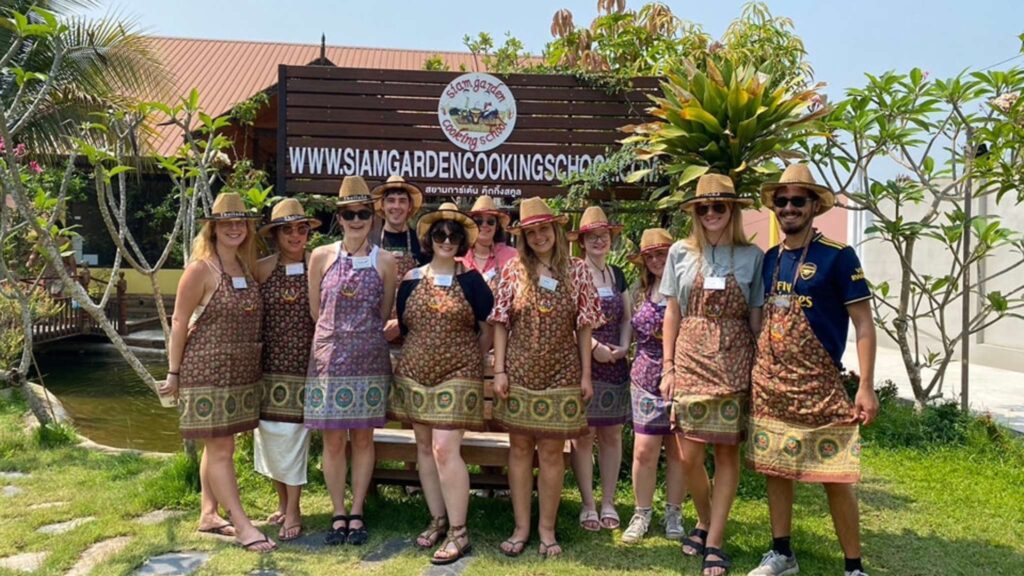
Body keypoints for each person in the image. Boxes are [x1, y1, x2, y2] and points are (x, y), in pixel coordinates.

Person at [746, 164, 878, 576]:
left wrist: (866, 386)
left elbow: (863, 324)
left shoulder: (838, 257)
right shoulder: (769, 259)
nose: (788, 208)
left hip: (821, 383)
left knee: (836, 475)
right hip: (770, 383)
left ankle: (853, 567)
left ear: (814, 206)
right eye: (782, 201)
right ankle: (782, 552)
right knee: (775, 469)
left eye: (797, 201)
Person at [661, 174, 764, 576]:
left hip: (735, 357)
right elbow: (673, 312)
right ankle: (704, 519)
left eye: (718, 207)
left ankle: (715, 539)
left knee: (725, 454)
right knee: (687, 455)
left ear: (732, 210)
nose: (710, 214)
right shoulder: (680, 253)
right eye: (703, 208)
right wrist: (668, 366)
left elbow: (755, 316)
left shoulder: (752, 256)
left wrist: (762, 367)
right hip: (689, 356)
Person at [489, 197, 603, 558]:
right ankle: (521, 527)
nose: (539, 236)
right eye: (531, 231)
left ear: (555, 230)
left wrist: (586, 374)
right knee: (520, 449)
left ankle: (547, 530)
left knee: (553, 452)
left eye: (544, 228)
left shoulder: (578, 270)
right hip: (520, 371)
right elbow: (501, 322)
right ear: (523, 236)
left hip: (562, 372)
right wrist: (500, 370)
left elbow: (585, 327)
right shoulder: (512, 270)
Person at [160, 192, 275, 552]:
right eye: (227, 223)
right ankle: (242, 525)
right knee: (221, 446)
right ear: (213, 228)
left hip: (238, 372)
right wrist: (174, 372)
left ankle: (208, 513)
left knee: (218, 443)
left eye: (240, 222)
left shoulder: (245, 266)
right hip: (205, 371)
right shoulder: (200, 269)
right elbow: (179, 321)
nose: (235, 228)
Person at [388, 202, 494, 565]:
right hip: (415, 373)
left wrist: (473, 360)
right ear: (429, 239)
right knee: (423, 447)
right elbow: (403, 324)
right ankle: (437, 519)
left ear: (462, 241)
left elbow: (487, 326)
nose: (447, 241)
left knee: (444, 449)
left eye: (453, 236)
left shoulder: (471, 280)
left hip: (459, 373)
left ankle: (459, 531)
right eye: (440, 235)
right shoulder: (412, 279)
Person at [306, 176, 398, 546]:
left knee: (362, 439)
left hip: (369, 359)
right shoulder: (320, 256)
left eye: (363, 213)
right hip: (329, 358)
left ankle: (357, 510)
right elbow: (316, 310)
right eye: (349, 214)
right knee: (332, 441)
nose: (357, 220)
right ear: (339, 217)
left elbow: (386, 308)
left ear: (372, 218)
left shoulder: (386, 260)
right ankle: (337, 510)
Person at [253, 198, 321, 542]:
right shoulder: (262, 268)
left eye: (301, 229)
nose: (295, 236)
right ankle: (282, 501)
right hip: (268, 366)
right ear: (276, 235)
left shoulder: (317, 265)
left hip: (304, 365)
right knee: (271, 437)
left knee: (294, 437)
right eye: (288, 230)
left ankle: (294, 509)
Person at [567, 206, 632, 532]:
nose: (598, 241)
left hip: (615, 366)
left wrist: (622, 347)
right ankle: (588, 504)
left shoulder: (617, 274)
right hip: (586, 364)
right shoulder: (575, 272)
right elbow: (570, 320)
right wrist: (595, 350)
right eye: (592, 237)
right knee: (583, 436)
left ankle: (608, 501)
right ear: (582, 241)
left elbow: (627, 317)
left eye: (603, 236)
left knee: (611, 434)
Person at [620, 228, 687, 545]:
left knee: (679, 451)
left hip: (682, 377)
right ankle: (642, 511)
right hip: (645, 376)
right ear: (643, 262)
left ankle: (674, 511)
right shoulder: (638, 292)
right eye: (651, 256)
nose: (657, 260)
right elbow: (627, 332)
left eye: (662, 253)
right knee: (644, 450)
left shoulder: (685, 289)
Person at [371, 175, 426, 343]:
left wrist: (401, 322)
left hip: (413, 333)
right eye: (391, 200)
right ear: (382, 204)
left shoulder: (422, 243)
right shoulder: (369, 242)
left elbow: (429, 292)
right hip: (375, 331)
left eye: (402, 201)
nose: (396, 206)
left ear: (409, 207)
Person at [460, 195, 518, 289]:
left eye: (490, 221)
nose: (484, 225)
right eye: (478, 221)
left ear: (497, 226)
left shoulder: (513, 256)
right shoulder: (459, 258)